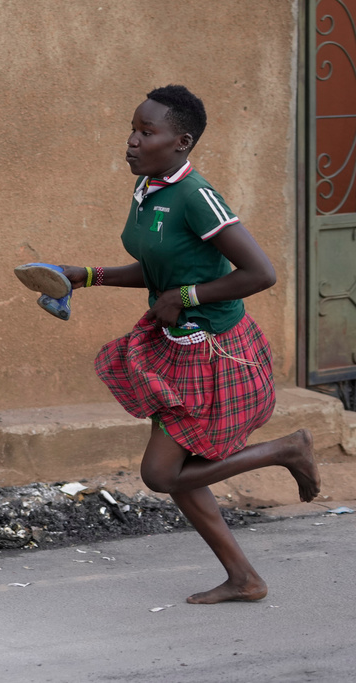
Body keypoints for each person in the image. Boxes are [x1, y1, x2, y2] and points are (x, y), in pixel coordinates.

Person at [57, 85, 320, 604]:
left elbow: (260, 272)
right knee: (179, 473)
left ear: (181, 142)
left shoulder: (197, 196)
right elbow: (158, 268)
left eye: (146, 132)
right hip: (175, 348)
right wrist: (85, 276)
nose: (132, 141)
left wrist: (187, 294)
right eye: (132, 129)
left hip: (216, 352)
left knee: (161, 473)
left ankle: (287, 449)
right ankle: (244, 578)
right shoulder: (150, 188)